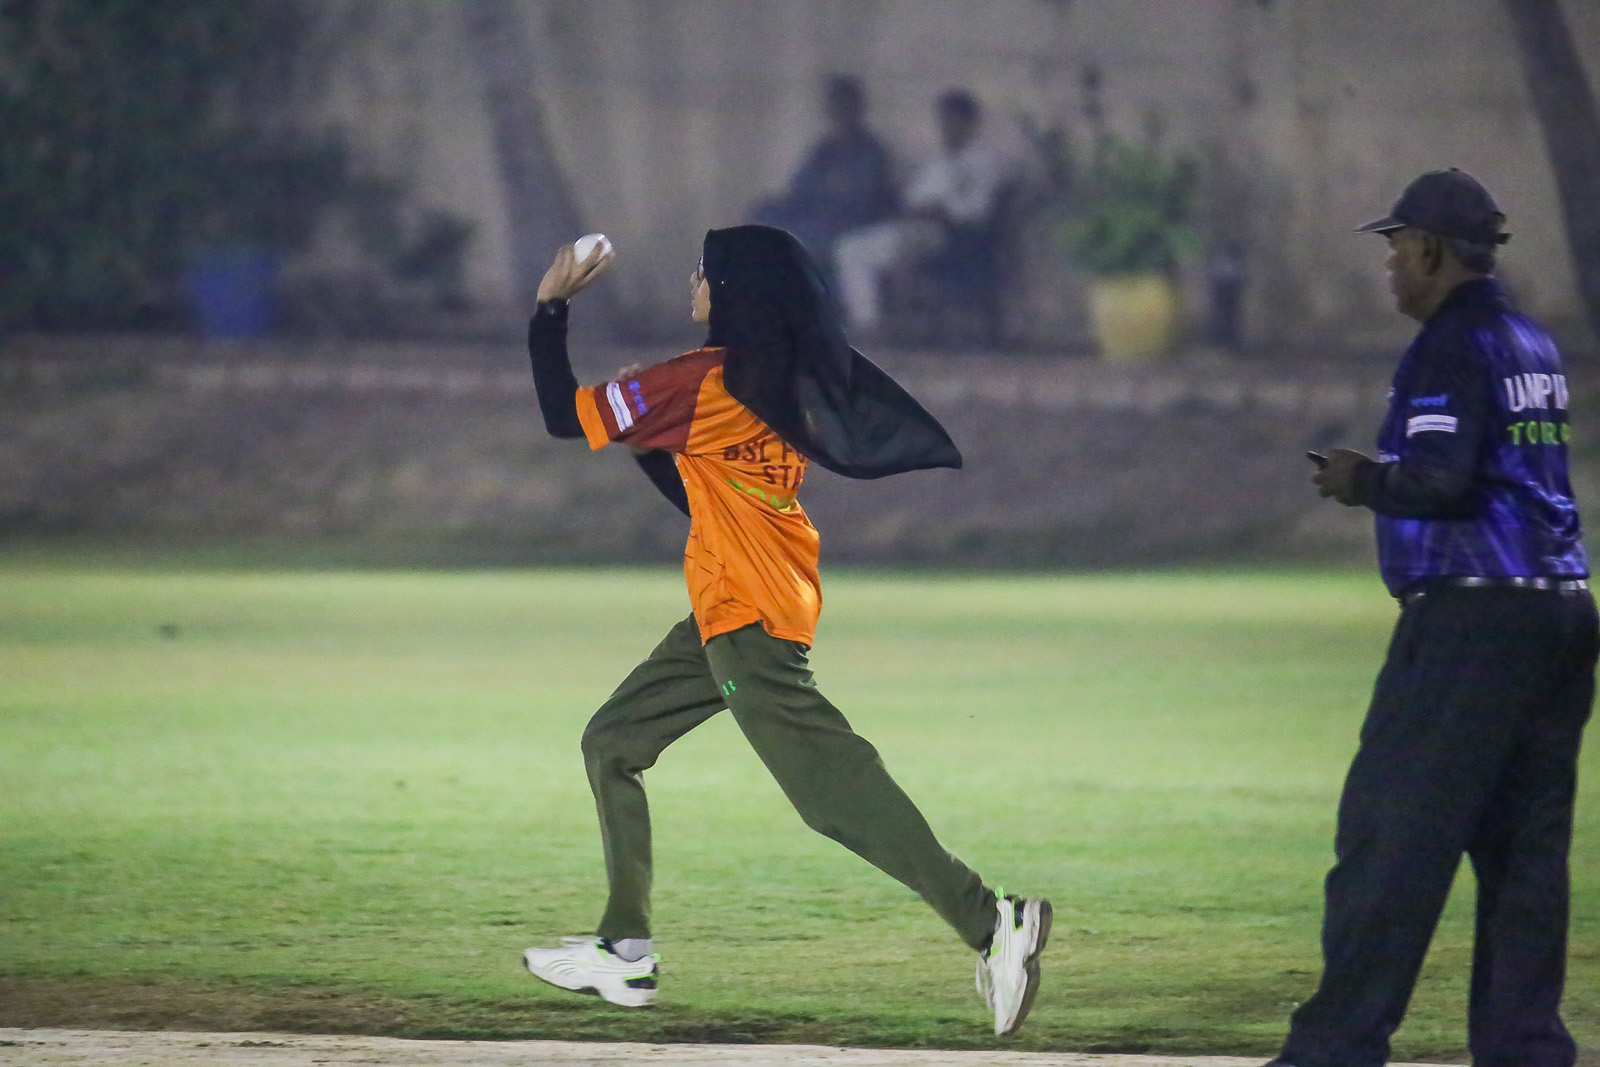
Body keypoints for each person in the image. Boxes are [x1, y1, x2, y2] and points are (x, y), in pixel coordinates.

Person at [519, 224, 1051, 1036]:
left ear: (736, 292)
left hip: (746, 617)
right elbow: (704, 496)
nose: (694, 283)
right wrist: (647, 440)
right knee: (612, 742)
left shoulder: (700, 380)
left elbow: (564, 415)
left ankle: (992, 921)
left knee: (831, 792)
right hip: (744, 603)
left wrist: (550, 309)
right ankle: (624, 948)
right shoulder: (773, 383)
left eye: (705, 272)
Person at [1268, 168, 1596, 1067]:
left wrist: (1361, 479)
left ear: (1429, 249)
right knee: (1525, 853)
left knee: (1390, 837)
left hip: (1472, 619)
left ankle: (1335, 1047)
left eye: (1395, 245)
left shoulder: (1452, 344)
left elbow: (1443, 480)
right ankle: (1525, 1047)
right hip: (1560, 607)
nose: (1388, 264)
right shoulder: (1531, 342)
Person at [833, 89, 1008, 335]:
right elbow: (911, 199)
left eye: (954, 120)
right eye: (944, 120)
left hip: (955, 236)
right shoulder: (937, 160)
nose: (948, 127)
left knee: (905, 248)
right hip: (915, 227)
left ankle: (898, 323)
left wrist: (942, 210)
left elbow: (978, 210)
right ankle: (867, 323)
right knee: (849, 247)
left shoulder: (984, 162)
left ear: (970, 123)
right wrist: (915, 208)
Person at [750, 75, 897, 282]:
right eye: (835, 106)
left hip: (848, 222)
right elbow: (799, 188)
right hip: (813, 214)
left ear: (857, 109)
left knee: (808, 241)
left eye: (845, 106)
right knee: (763, 220)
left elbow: (862, 199)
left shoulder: (871, 151)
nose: (840, 112)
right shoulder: (824, 150)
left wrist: (828, 195)